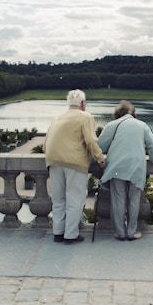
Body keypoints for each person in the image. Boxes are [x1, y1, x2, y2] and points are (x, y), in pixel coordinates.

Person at [43, 89, 106, 245]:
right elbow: (91, 141)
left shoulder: (57, 117)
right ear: (83, 104)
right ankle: (70, 235)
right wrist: (100, 158)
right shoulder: (86, 117)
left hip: (53, 161)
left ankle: (58, 232)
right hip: (74, 162)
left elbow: (45, 143)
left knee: (58, 200)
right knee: (75, 200)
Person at [98, 100, 153, 241]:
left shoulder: (112, 125)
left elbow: (100, 147)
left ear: (117, 114)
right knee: (134, 199)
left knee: (118, 200)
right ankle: (132, 232)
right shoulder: (142, 125)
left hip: (117, 166)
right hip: (137, 166)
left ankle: (120, 233)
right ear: (133, 113)